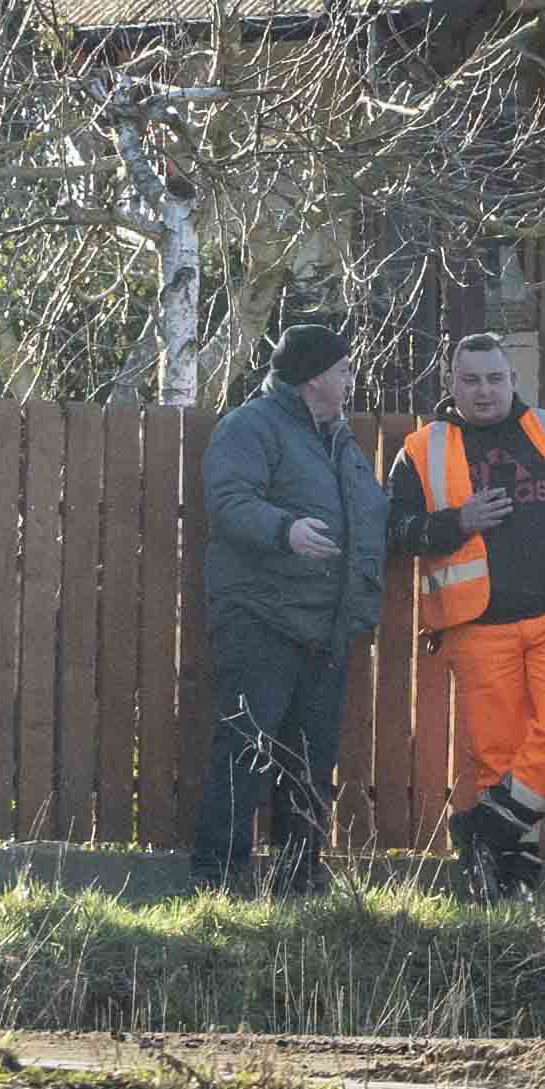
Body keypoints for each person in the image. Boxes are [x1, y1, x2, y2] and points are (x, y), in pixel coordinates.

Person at [386, 327, 545, 897]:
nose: (484, 391)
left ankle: (485, 826)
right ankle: (506, 892)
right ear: (452, 384)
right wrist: (456, 522)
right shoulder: (422, 448)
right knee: (496, 758)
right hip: (477, 625)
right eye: (471, 380)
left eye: (495, 378)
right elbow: (394, 531)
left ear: (514, 381)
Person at [193, 318, 385, 893]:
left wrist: (444, 525)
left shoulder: (340, 442)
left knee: (310, 759)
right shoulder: (250, 427)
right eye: (344, 370)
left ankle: (299, 881)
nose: (351, 379)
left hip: (326, 625)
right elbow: (227, 501)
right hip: (262, 615)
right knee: (247, 747)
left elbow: (372, 519)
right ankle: (219, 879)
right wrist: (286, 530)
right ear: (314, 379)